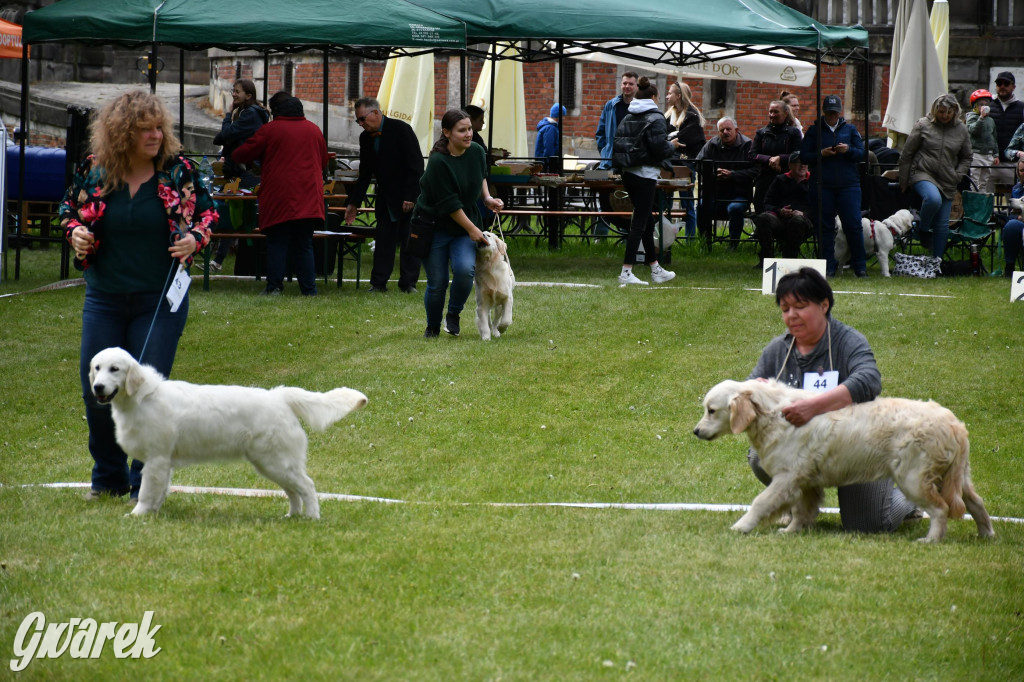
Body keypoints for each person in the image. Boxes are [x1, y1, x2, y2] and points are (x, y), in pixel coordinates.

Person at [60, 90, 217, 500]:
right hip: (105, 297)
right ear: (121, 133)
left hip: (160, 299)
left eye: (159, 127)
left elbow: (207, 212)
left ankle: (142, 485)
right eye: (144, 128)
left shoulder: (177, 169)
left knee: (145, 390)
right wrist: (76, 233)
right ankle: (106, 478)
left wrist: (194, 240)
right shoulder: (94, 170)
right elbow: (69, 212)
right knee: (94, 386)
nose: (155, 135)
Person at [747, 267, 919, 533]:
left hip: (858, 449)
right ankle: (800, 506)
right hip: (807, 452)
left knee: (869, 525)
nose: (791, 315)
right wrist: (752, 391)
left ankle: (910, 496)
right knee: (760, 453)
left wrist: (813, 407)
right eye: (785, 309)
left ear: (824, 305)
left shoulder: (848, 341)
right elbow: (750, 391)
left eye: (800, 306)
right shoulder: (777, 350)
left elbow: (869, 380)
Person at [414, 109, 504, 338]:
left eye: (470, 129)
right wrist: (474, 230)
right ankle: (433, 326)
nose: (468, 134)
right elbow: (450, 205)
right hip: (434, 225)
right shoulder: (438, 162)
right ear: (447, 133)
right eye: (462, 130)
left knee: (465, 271)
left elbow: (481, 175)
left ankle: (453, 314)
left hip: (464, 225)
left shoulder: (476, 151)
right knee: (438, 282)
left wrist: (487, 198)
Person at [233, 94, 328, 296]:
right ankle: (309, 290)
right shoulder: (314, 130)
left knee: (277, 242)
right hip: (309, 196)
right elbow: (324, 162)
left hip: (279, 196)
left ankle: (274, 286)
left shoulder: (270, 130)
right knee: (304, 244)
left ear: (277, 111)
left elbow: (243, 154)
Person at [344, 96, 424, 293]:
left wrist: (410, 196)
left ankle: (408, 283)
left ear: (376, 113)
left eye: (363, 119)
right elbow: (364, 175)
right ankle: (378, 283)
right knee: (383, 241)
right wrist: (353, 203)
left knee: (408, 241)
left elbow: (416, 166)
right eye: (358, 121)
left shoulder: (401, 129)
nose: (361, 124)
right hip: (385, 198)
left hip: (407, 196)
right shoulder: (365, 138)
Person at [611, 76, 676, 286]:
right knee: (639, 222)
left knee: (647, 220)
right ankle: (626, 271)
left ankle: (655, 268)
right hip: (645, 174)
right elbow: (659, 148)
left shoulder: (627, 116)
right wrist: (673, 145)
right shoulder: (656, 118)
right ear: (654, 97)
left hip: (628, 173)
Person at [898, 93, 972, 260]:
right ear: (935, 110)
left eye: (948, 112)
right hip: (922, 171)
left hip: (948, 178)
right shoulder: (923, 124)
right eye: (941, 111)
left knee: (942, 224)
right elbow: (907, 153)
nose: (944, 116)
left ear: (955, 111)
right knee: (933, 199)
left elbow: (967, 157)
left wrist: (958, 175)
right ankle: (923, 230)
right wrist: (904, 179)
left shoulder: (961, 129)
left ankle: (936, 262)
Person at [800, 94, 866, 277]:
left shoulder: (851, 130)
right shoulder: (814, 131)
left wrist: (848, 150)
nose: (832, 116)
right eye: (829, 113)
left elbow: (861, 154)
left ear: (840, 113)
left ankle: (860, 265)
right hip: (822, 184)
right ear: (824, 112)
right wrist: (821, 154)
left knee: (853, 225)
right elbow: (804, 156)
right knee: (824, 227)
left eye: (835, 113)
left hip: (848, 184)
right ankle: (828, 265)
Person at [210, 78, 270, 271]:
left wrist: (227, 115)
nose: (233, 94)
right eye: (233, 90)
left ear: (249, 95)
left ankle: (223, 260)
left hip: (248, 171)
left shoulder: (250, 114)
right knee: (234, 212)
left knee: (240, 214)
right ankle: (219, 260)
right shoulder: (246, 112)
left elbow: (225, 136)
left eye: (237, 91)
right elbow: (223, 137)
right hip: (241, 170)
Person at [695, 117, 756, 249]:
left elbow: (756, 170)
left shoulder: (748, 145)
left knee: (734, 208)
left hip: (739, 193)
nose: (725, 132)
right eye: (722, 130)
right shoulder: (712, 144)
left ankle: (733, 245)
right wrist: (713, 172)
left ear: (736, 130)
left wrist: (733, 175)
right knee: (701, 206)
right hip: (715, 193)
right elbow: (698, 164)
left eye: (729, 129)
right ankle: (705, 243)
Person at [594, 72, 639, 234]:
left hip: (632, 162)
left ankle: (628, 235)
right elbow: (600, 132)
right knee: (603, 196)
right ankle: (601, 235)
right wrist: (605, 150)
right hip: (610, 161)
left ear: (636, 86)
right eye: (625, 83)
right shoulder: (611, 105)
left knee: (630, 199)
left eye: (631, 84)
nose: (627, 86)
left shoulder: (640, 107)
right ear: (621, 85)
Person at [752, 151, 813, 262]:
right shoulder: (780, 180)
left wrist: (804, 213)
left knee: (797, 220)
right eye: (798, 162)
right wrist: (780, 211)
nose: (802, 165)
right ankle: (767, 259)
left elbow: (821, 207)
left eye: (805, 162)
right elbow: (767, 203)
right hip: (780, 219)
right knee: (763, 218)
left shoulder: (815, 182)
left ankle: (789, 259)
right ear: (789, 165)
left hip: (805, 222)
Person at [664, 81, 705, 238]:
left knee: (687, 202)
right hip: (669, 163)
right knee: (665, 202)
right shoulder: (668, 115)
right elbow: (665, 137)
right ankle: (665, 237)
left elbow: (684, 139)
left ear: (678, 96)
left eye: (670, 93)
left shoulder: (692, 116)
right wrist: (670, 141)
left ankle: (690, 238)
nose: (667, 96)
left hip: (685, 163)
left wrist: (669, 141)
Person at [749, 100, 802, 214]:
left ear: (785, 113)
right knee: (762, 211)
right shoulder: (761, 133)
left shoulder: (794, 133)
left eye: (776, 112)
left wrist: (780, 158)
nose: (772, 115)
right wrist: (770, 160)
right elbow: (752, 155)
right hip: (765, 180)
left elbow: (798, 154)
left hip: (787, 180)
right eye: (770, 112)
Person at [989, 71, 1024, 186]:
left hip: (1012, 163)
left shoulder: (1021, 107)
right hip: (989, 161)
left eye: (1006, 83)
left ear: (1013, 86)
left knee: (1013, 200)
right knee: (985, 198)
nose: (1002, 86)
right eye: (999, 83)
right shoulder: (988, 105)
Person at [966, 88, 999, 194]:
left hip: (988, 155)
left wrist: (995, 154)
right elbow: (974, 130)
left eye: (986, 104)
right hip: (976, 154)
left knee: (984, 181)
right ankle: (973, 200)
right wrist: (980, 118)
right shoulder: (972, 117)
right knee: (974, 179)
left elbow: (993, 138)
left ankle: (982, 200)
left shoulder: (991, 121)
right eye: (980, 104)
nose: (984, 107)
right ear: (975, 106)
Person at [1001, 159, 1024, 277]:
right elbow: (1012, 214)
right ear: (1018, 172)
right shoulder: (1017, 189)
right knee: (1012, 225)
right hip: (1020, 222)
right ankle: (1009, 266)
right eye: (1022, 170)